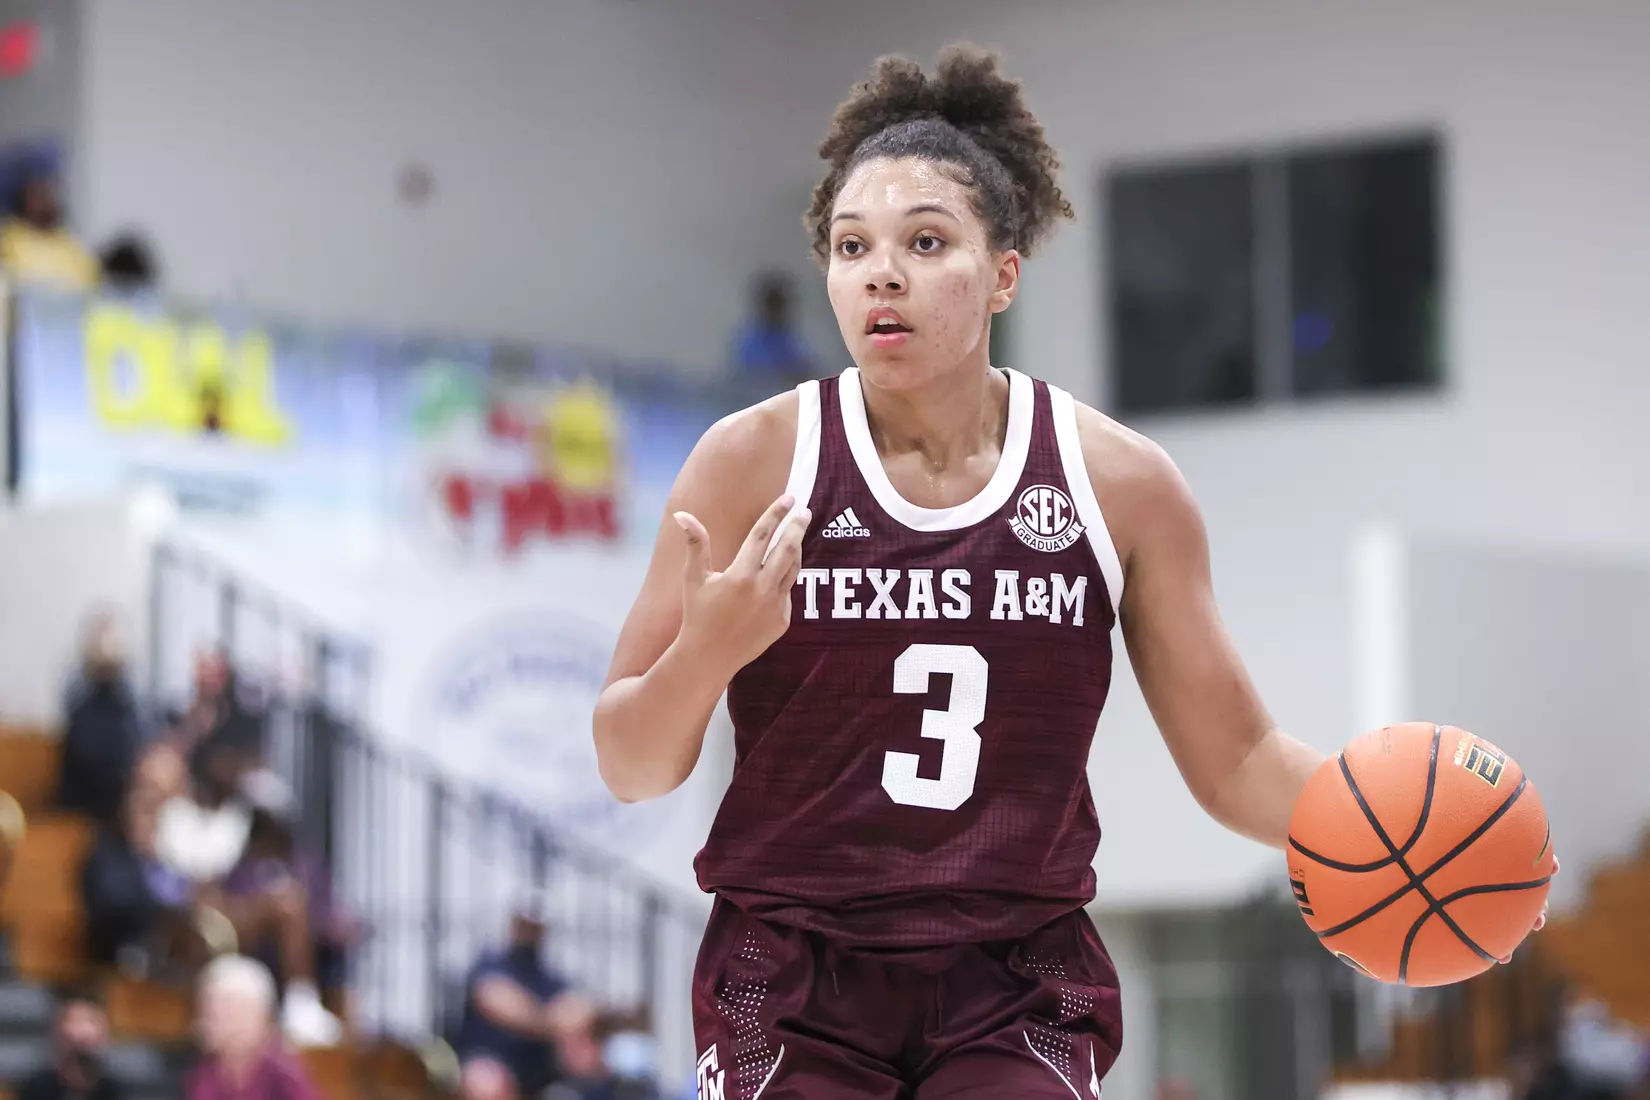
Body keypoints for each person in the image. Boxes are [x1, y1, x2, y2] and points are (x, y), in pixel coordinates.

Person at [594, 46, 1551, 1099]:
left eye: (925, 241)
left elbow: (1234, 760)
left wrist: (1410, 836)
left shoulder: (1121, 482)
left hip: (1013, 972)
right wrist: (708, 653)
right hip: (792, 967)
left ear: (1004, 270)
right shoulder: (752, 459)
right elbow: (631, 759)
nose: (881, 271)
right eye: (850, 244)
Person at [456, 895, 595, 1100]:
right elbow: (498, 1003)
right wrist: (551, 1021)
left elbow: (580, 1011)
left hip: (541, 1066)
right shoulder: (490, 964)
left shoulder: (551, 976)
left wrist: (537, 1017)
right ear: (514, 925)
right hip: (490, 1059)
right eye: (526, 925)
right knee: (486, 1084)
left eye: (535, 927)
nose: (530, 933)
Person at [186, 955, 324, 1100]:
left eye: (232, 1013)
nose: (216, 1022)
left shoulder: (284, 1073)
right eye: (210, 1012)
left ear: (263, 1019)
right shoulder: (197, 1073)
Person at [14, 988, 126, 1100]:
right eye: (73, 1021)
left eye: (90, 1021)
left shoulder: (114, 1090)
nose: (81, 1032)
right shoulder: (35, 1088)